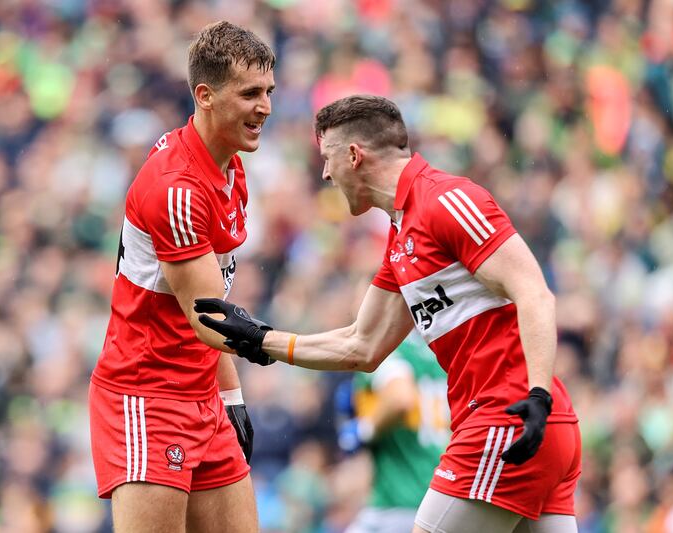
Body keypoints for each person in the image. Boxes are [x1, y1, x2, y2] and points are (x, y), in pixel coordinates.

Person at [195, 95, 582, 533]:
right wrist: (261, 340)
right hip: (530, 423)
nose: (325, 173)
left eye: (327, 158)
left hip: (506, 416)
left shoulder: (445, 200)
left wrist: (537, 395)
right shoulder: (402, 236)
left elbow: (535, 293)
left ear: (354, 155)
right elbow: (362, 345)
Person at [88, 21, 275, 533]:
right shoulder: (177, 187)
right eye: (250, 94)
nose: (265, 107)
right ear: (205, 95)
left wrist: (231, 398)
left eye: (269, 92)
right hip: (147, 396)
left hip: (201, 393)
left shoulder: (230, 167)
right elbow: (213, 321)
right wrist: (310, 348)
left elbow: (211, 304)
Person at [336, 332, 450, 533]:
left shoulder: (386, 351)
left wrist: (365, 429)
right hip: (441, 495)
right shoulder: (441, 354)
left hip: (399, 499)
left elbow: (401, 398)